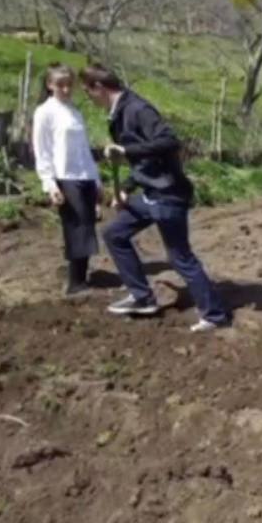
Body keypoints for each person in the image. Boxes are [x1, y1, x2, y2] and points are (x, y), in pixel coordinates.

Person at [79, 64, 230, 332]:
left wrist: (125, 149)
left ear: (98, 88)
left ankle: (215, 315)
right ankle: (142, 297)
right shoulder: (119, 113)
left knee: (180, 257)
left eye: (88, 92)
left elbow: (170, 142)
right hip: (152, 192)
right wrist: (126, 187)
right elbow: (146, 160)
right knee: (115, 234)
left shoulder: (137, 109)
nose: (89, 99)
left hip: (169, 193)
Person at [31, 63, 102, 296]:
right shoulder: (45, 112)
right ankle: (74, 283)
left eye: (69, 85)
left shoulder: (75, 112)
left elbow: (84, 150)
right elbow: (42, 151)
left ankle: (82, 277)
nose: (65, 89)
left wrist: (97, 180)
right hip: (65, 176)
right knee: (76, 227)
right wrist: (50, 184)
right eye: (60, 84)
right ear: (50, 85)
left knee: (88, 226)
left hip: (84, 176)